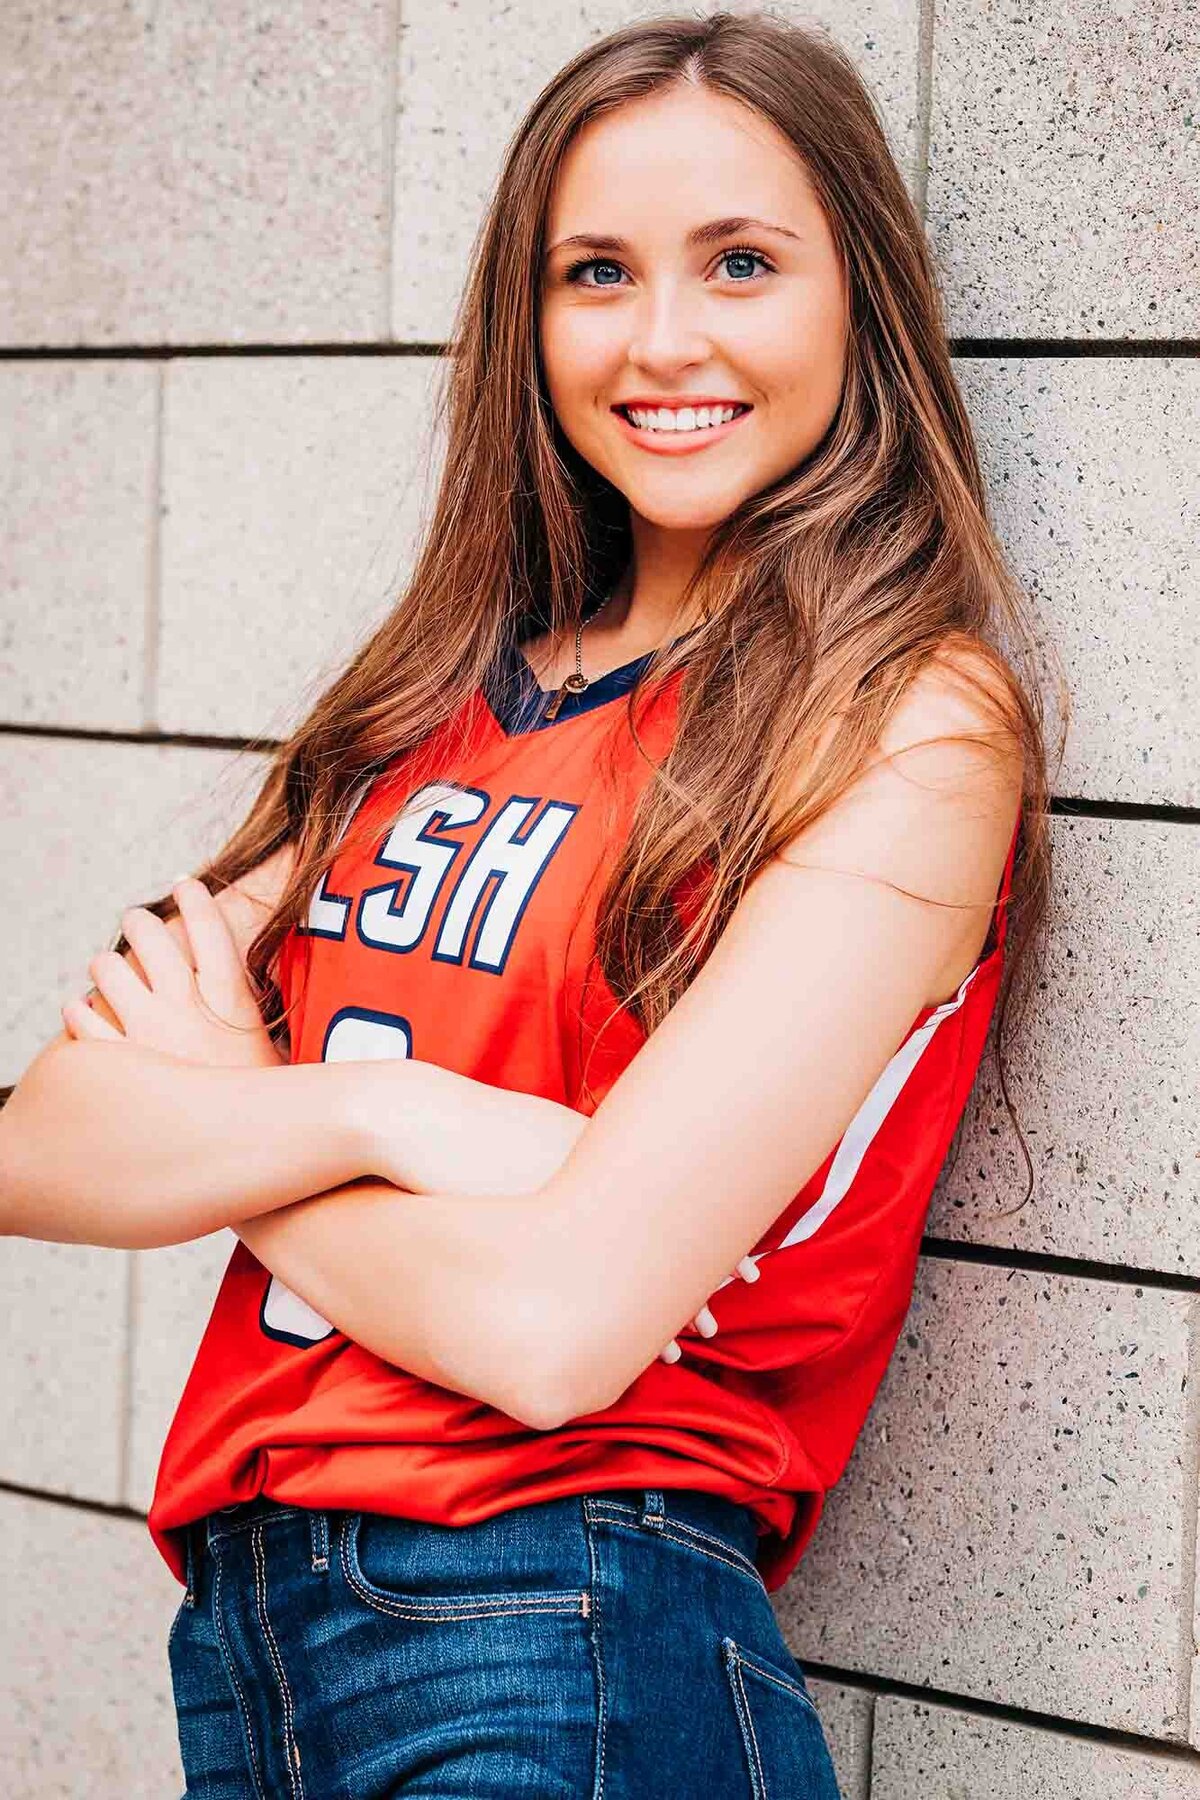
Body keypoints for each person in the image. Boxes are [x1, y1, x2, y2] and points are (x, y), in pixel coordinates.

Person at [0, 11, 1062, 1797]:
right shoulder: (439, 697)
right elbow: (43, 1141)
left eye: (742, 263)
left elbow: (556, 1332)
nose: (665, 339)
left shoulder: (901, 716)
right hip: (253, 1637)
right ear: (529, 317)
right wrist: (375, 1106)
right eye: (597, 272)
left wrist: (234, 1130)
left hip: (560, 1618)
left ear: (857, 300)